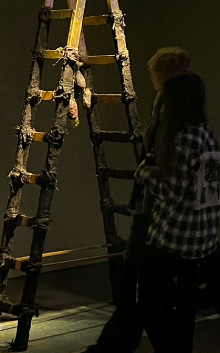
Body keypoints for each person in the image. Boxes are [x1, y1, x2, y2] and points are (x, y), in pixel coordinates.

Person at [87, 47, 194, 353]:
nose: (151, 77)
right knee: (140, 286)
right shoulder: (167, 105)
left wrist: (148, 174)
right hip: (153, 202)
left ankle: (113, 347)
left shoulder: (175, 110)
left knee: (141, 284)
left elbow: (168, 162)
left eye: (154, 72)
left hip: (161, 207)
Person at [136, 73, 220, 353]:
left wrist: (144, 173)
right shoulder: (207, 133)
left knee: (148, 301)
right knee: (190, 304)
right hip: (204, 236)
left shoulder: (184, 139)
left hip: (175, 237)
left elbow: (171, 193)